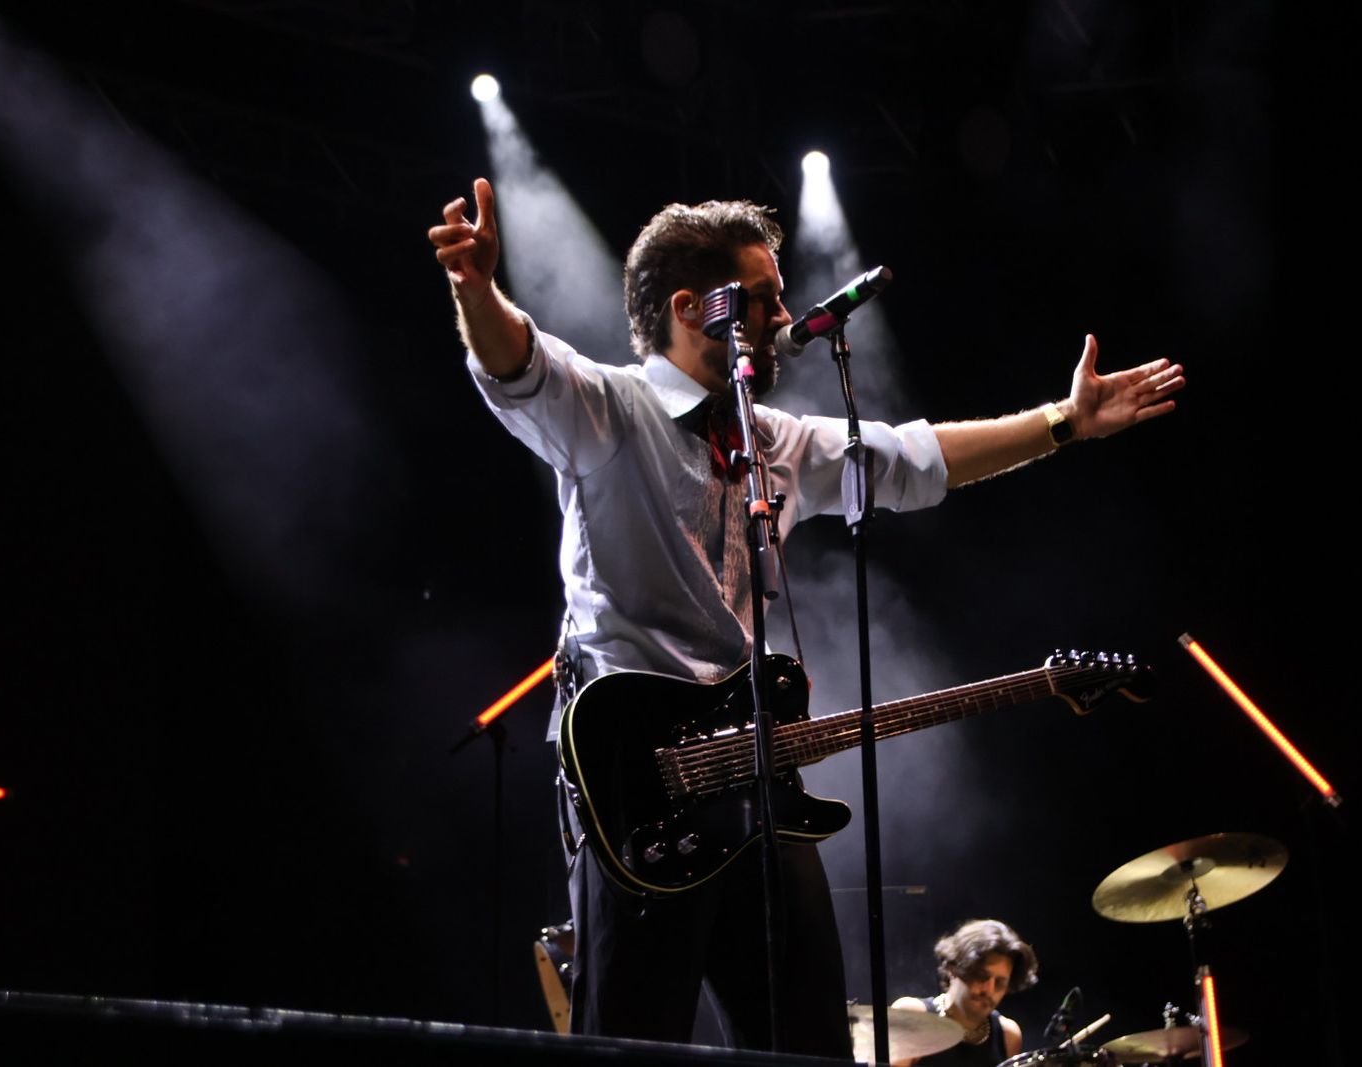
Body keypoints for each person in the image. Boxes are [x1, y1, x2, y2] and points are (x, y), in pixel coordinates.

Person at [427, 177, 1183, 1056]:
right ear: (690, 305)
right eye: (762, 295)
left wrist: (1064, 421)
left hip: (751, 774)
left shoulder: (775, 440)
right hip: (637, 783)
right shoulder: (612, 409)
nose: (785, 312)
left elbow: (913, 459)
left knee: (810, 1044)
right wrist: (476, 291)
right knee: (631, 1043)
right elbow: (520, 366)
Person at [892, 919, 1040, 1066]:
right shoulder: (911, 1015)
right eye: (981, 976)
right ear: (953, 969)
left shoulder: (1008, 1035)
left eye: (1000, 983)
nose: (989, 990)